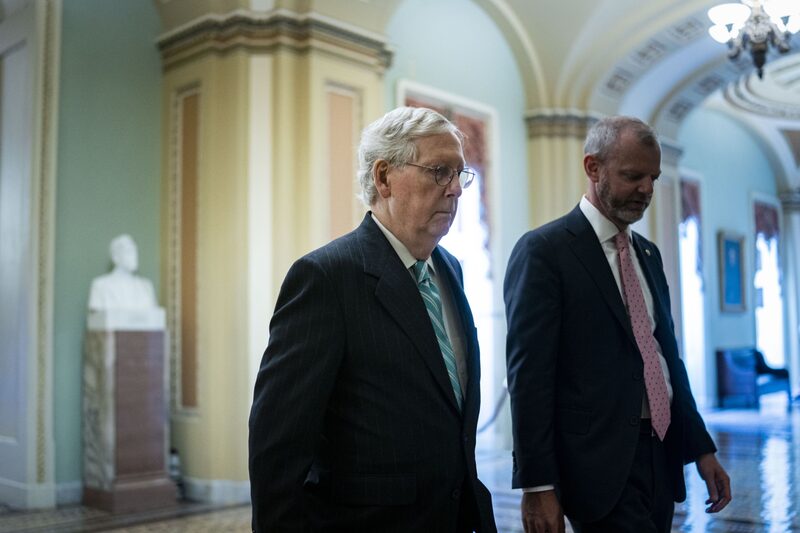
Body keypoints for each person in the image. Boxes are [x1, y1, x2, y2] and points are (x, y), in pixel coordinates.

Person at [248, 106, 497, 532]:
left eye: (461, 174)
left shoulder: (451, 269)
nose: (456, 189)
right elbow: (279, 447)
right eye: (439, 171)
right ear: (383, 177)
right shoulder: (327, 277)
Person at [504, 116, 731, 533]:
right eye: (632, 176)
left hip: (661, 456)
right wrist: (537, 485)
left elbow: (666, 360)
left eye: (653, 177)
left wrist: (701, 449)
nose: (646, 189)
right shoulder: (545, 251)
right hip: (595, 465)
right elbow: (529, 377)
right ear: (593, 168)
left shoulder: (649, 253)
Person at [88, 234, 157, 311]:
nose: (134, 256)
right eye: (129, 252)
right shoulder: (100, 285)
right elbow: (96, 317)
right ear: (116, 257)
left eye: (135, 251)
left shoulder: (146, 286)